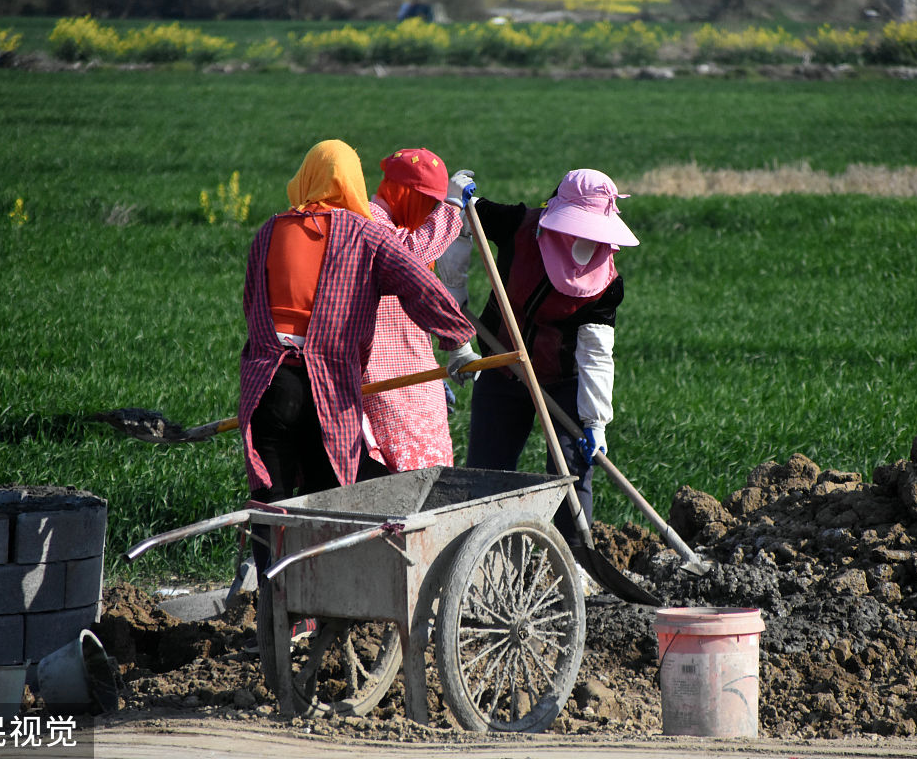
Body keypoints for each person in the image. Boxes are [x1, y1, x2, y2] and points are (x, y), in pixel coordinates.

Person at [238, 139, 479, 573]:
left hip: (265, 386)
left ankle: (280, 617)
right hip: (324, 388)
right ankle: (333, 603)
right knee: (333, 497)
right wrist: (458, 340)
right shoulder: (361, 233)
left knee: (273, 503)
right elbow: (420, 284)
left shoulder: (269, 230)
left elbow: (251, 303)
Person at [440, 168, 638, 548]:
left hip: (562, 380)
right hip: (501, 366)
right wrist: (457, 196)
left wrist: (595, 421)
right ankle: (482, 553)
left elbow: (596, 353)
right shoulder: (519, 225)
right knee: (487, 471)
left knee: (572, 470)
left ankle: (575, 557)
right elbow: (463, 218)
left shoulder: (606, 283)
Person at [361, 148, 474, 471]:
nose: (430, 212)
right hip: (379, 376)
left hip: (414, 369)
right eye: (428, 201)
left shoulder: (402, 226)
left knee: (433, 468)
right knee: (398, 472)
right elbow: (407, 255)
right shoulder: (369, 221)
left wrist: (431, 371)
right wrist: (452, 209)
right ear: (403, 192)